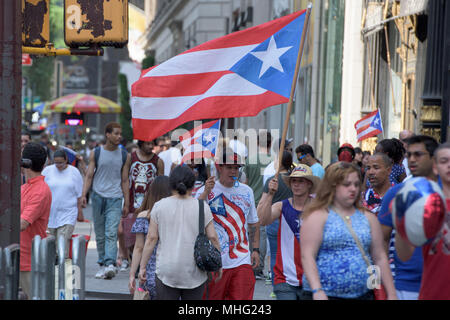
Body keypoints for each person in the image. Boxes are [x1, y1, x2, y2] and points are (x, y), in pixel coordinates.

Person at [300, 161, 397, 300]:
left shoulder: (368, 217)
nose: (353, 189)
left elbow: (380, 257)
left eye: (356, 184)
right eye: (347, 184)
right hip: (325, 295)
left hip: (363, 294)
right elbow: (308, 256)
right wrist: (317, 290)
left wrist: (391, 293)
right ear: (333, 186)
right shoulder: (317, 216)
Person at [138, 166, 221, 300]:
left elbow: (151, 239)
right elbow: (213, 237)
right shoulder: (201, 206)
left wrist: (142, 267)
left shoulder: (159, 206)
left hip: (166, 270)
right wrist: (218, 265)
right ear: (193, 184)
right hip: (195, 272)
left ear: (171, 183)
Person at [378, 135, 438, 300]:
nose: (411, 160)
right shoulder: (395, 194)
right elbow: (380, 243)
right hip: (403, 287)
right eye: (409, 155)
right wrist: (383, 285)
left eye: (418, 154)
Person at [196, 150, 260, 300]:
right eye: (229, 167)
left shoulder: (247, 191)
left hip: (241, 260)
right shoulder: (206, 190)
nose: (233, 171)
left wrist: (255, 249)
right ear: (219, 167)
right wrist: (206, 192)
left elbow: (253, 222)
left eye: (236, 168)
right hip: (215, 261)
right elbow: (194, 214)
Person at [394, 142, 450, 299]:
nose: (449, 166)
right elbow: (405, 255)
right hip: (432, 292)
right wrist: (401, 221)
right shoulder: (423, 203)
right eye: (444, 161)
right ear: (435, 167)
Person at [257, 164, 319, 300]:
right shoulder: (281, 206)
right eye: (294, 181)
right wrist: (269, 194)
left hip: (312, 278)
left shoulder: (318, 207)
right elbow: (262, 220)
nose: (296, 185)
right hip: (284, 279)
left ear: (309, 184)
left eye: (301, 181)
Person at [81, 122, 131, 280]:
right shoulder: (96, 153)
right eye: (115, 133)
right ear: (107, 134)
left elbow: (124, 181)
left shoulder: (125, 156)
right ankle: (102, 264)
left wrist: (127, 202)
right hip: (98, 197)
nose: (119, 136)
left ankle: (110, 263)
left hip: (115, 198)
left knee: (111, 232)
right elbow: (89, 175)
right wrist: (83, 195)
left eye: (120, 134)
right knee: (100, 234)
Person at [118, 139, 164, 271]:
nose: (150, 147)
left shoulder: (158, 161)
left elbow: (161, 183)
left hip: (151, 204)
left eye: (152, 144)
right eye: (147, 144)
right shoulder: (130, 158)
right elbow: (125, 179)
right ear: (141, 144)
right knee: (127, 233)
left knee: (148, 234)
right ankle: (133, 257)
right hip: (133, 202)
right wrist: (126, 202)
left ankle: (141, 263)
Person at [128, 176, 172, 299]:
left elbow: (138, 248)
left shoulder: (143, 216)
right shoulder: (175, 216)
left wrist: (132, 274)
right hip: (172, 273)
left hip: (149, 275)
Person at [20, 142, 52, 299]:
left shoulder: (40, 191)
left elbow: (22, 223)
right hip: (17, 257)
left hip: (28, 262)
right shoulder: (24, 187)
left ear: (25, 163)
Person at [258, 151, 293, 294]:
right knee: (289, 254)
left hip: (273, 221)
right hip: (289, 220)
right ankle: (288, 283)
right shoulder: (293, 180)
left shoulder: (273, 181)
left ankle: (276, 287)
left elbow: (263, 201)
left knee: (274, 254)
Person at [42, 149, 84, 258]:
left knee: (62, 243)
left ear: (66, 160)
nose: (58, 165)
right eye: (56, 162)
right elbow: (42, 190)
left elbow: (79, 195)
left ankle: (63, 269)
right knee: (50, 245)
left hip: (68, 213)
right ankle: (52, 270)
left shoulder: (74, 172)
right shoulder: (47, 171)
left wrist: (80, 212)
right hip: (50, 214)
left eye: (61, 162)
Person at [244, 130, 272, 280]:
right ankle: (258, 267)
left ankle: (250, 264)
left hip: (252, 201)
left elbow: (245, 183)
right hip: (268, 203)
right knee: (262, 235)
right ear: (270, 142)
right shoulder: (274, 160)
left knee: (251, 233)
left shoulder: (250, 160)